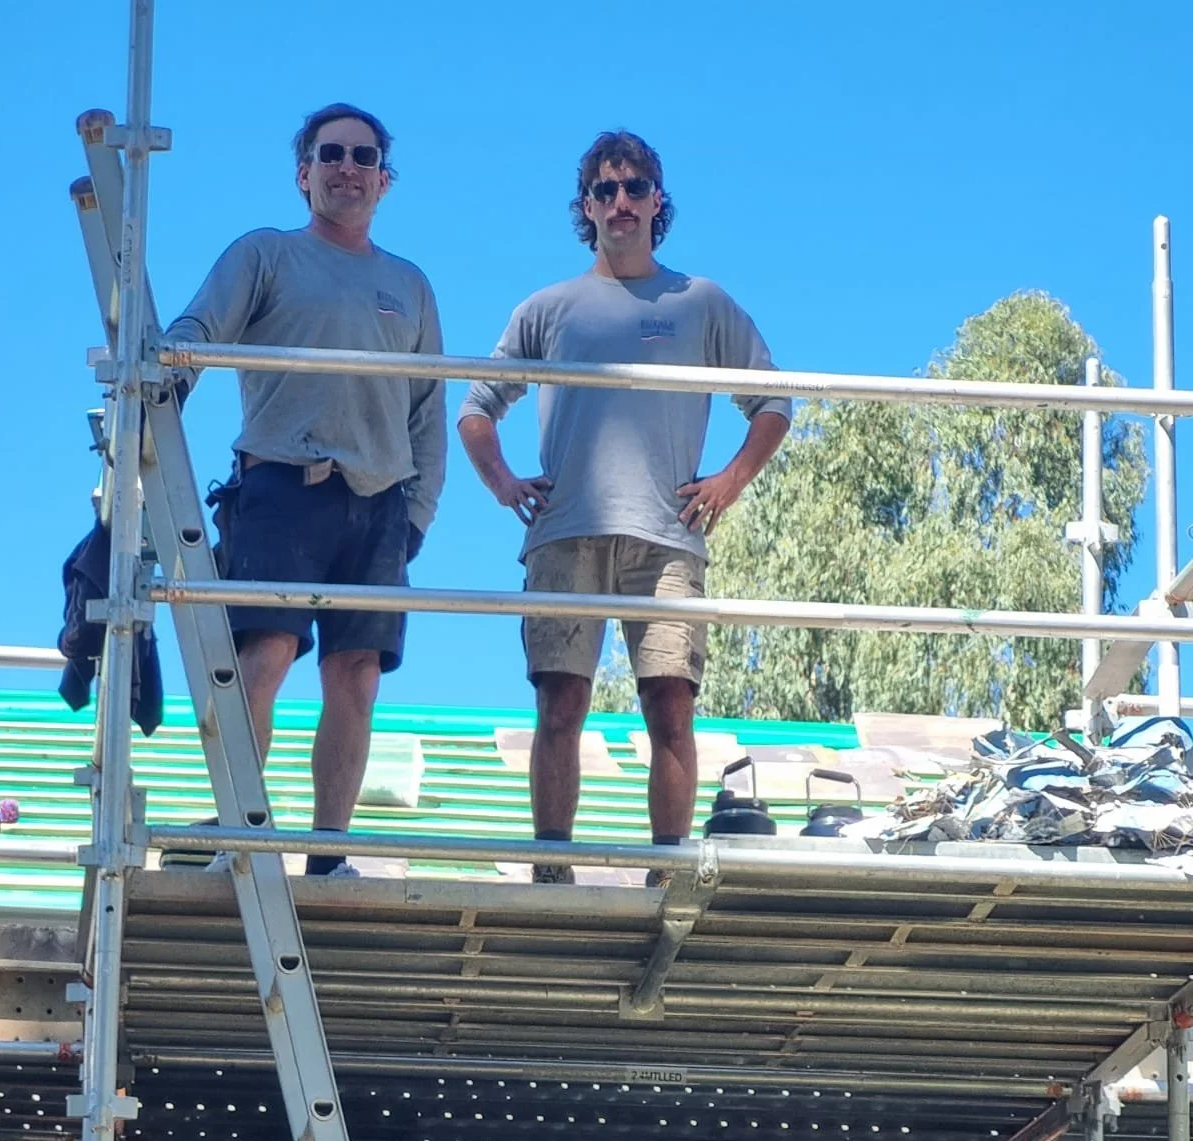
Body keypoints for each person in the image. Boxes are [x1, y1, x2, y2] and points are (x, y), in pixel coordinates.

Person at [459, 130, 790, 880]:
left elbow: (773, 401)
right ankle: (553, 869)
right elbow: (477, 406)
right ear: (587, 206)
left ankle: (666, 867)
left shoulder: (700, 301)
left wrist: (728, 482)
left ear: (656, 201)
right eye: (605, 190)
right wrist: (505, 483)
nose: (620, 202)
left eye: (634, 188)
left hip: (667, 538)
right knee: (560, 704)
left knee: (672, 707)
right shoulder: (548, 307)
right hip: (566, 532)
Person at [167, 103, 445, 876]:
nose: (347, 167)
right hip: (283, 488)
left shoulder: (409, 285)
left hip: (379, 502)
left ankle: (329, 854)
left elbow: (429, 409)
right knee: (266, 655)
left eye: (363, 156)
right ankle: (241, 834)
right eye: (331, 154)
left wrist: (416, 513)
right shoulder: (266, 254)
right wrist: (168, 366)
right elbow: (198, 327)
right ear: (304, 173)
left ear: (383, 181)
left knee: (356, 677)